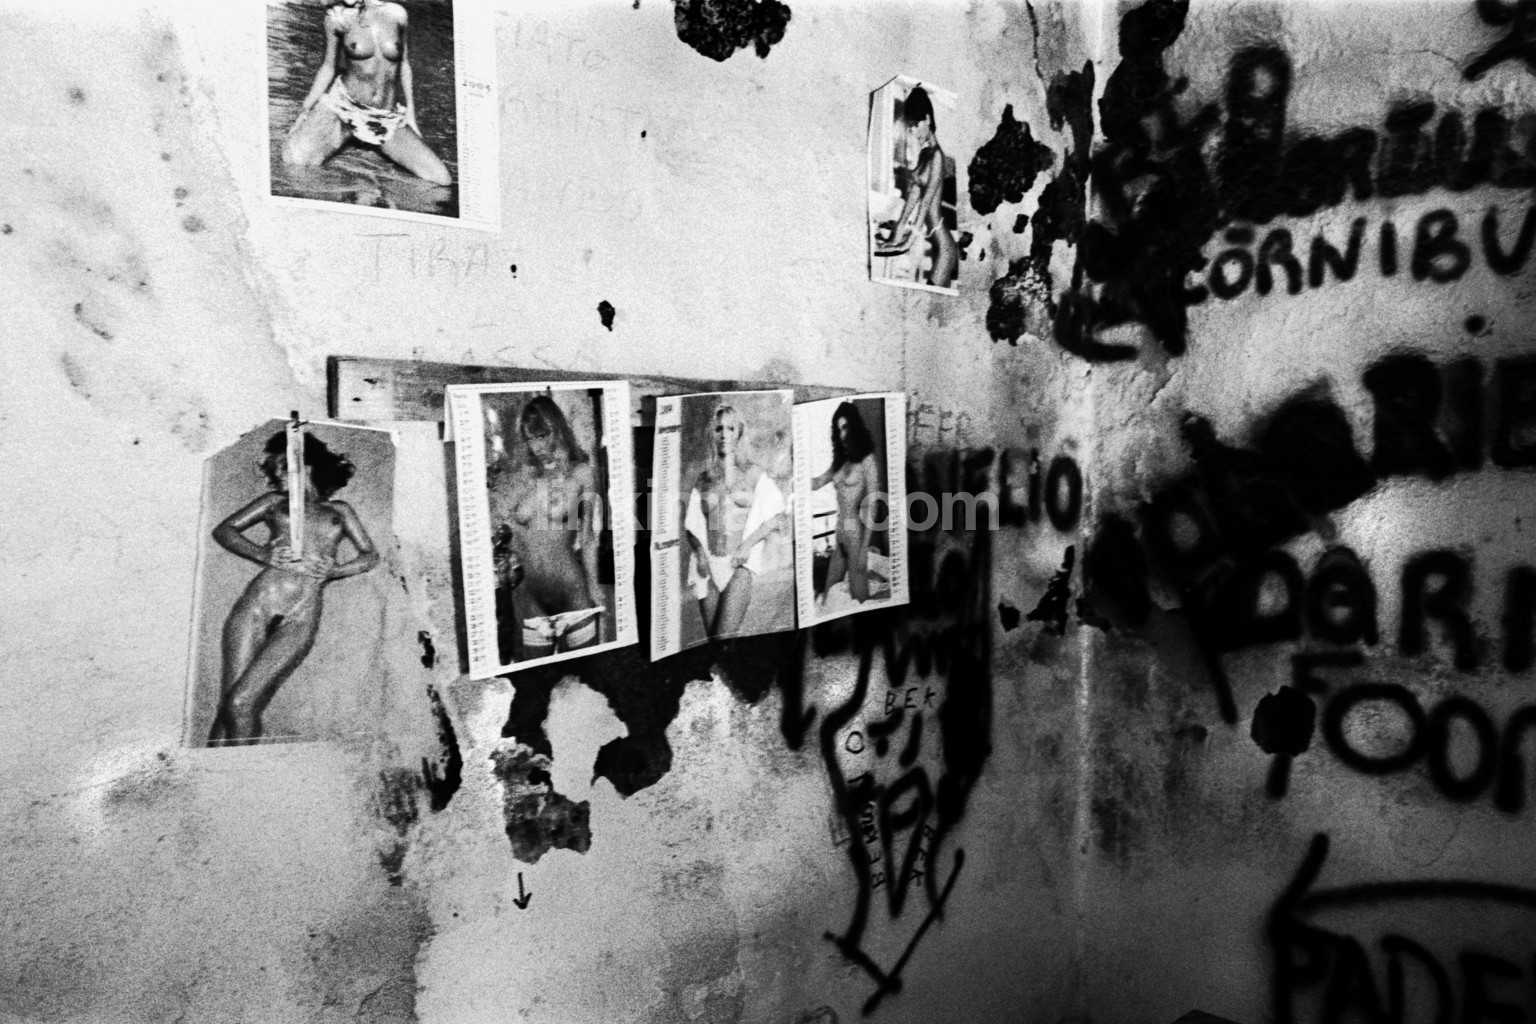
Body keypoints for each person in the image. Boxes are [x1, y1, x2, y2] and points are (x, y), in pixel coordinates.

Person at [209, 432, 379, 746]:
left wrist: (337, 571)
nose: (277, 475)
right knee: (228, 709)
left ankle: (235, 773)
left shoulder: (339, 510)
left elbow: (370, 555)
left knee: (241, 703)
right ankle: (211, 773)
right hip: (258, 604)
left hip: (301, 615)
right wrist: (263, 554)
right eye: (274, 470)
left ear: (305, 465)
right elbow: (224, 530)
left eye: (282, 467)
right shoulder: (274, 502)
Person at [282, 0, 453, 187]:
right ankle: (351, 144)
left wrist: (410, 113)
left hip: (384, 118)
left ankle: (367, 152)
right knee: (293, 162)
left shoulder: (398, 15)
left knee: (441, 180)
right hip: (344, 109)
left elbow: (404, 65)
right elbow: (328, 67)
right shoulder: (337, 19)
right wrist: (305, 109)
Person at [490, 395, 605, 661]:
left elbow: (588, 537)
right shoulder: (521, 475)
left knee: (584, 676)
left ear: (557, 429)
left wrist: (595, 586)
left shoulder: (581, 473)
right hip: (529, 595)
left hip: (572, 589)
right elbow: (499, 528)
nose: (537, 446)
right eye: (530, 438)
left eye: (542, 436)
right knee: (537, 679)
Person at [684, 405, 788, 639]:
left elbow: (777, 516)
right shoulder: (704, 479)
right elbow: (692, 524)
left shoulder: (753, 473)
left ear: (739, 432)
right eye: (718, 428)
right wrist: (700, 553)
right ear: (712, 434)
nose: (724, 434)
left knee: (724, 638)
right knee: (713, 641)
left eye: (730, 428)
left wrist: (747, 545)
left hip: (738, 565)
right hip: (708, 565)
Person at [874, 85, 958, 289]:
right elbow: (914, 195)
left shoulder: (937, 156)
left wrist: (909, 239)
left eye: (915, 124)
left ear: (928, 119)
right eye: (909, 125)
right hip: (934, 241)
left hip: (944, 248)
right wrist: (898, 231)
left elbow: (926, 202)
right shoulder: (925, 154)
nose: (912, 130)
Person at [810, 402, 884, 606]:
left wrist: (863, 549)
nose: (842, 435)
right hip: (840, 530)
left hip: (854, 532)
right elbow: (816, 483)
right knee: (827, 592)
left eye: (845, 428)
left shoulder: (867, 460)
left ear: (854, 428)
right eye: (838, 430)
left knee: (860, 597)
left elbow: (873, 505)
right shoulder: (840, 462)